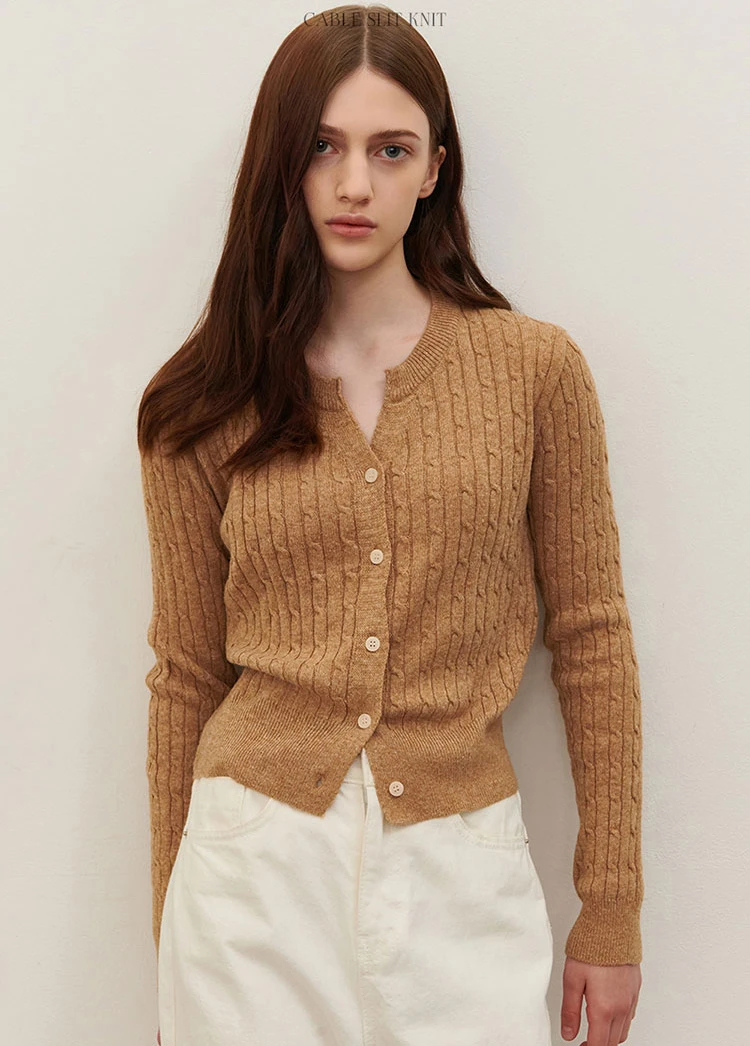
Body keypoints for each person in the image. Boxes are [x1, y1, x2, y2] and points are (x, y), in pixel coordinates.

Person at [137, 6, 644, 1045]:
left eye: (390, 149)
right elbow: (185, 673)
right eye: (323, 146)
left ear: (434, 170)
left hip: (462, 870)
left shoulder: (534, 372)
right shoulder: (204, 402)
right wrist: (170, 932)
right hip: (249, 875)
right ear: (281, 163)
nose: (354, 184)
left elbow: (592, 640)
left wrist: (612, 907)